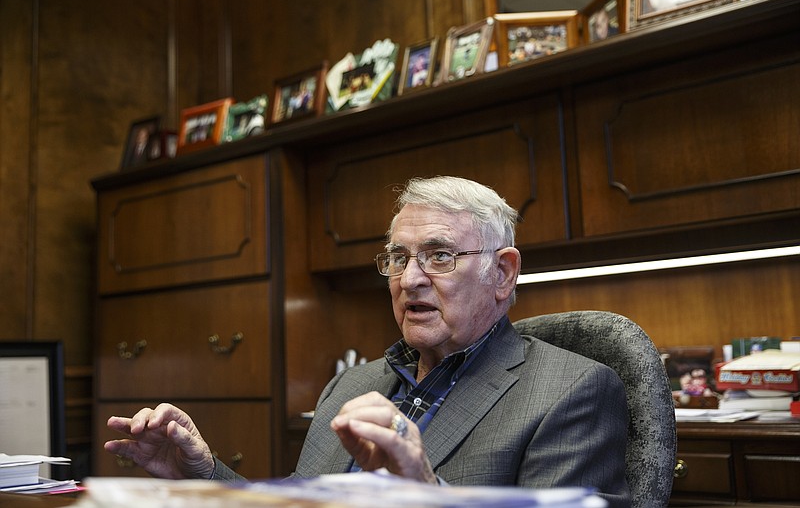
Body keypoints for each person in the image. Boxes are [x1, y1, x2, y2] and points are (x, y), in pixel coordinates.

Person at [104, 176, 630, 506]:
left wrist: (430, 496)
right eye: (399, 258)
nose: (411, 278)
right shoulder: (350, 386)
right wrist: (202, 476)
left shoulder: (572, 391)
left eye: (440, 255)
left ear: (503, 272)